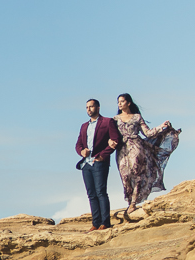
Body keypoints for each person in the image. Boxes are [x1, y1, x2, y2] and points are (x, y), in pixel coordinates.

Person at [113, 93, 180, 217]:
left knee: (136, 172)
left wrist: (161, 127)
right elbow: (112, 135)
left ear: (128, 103)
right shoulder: (115, 119)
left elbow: (148, 133)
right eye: (118, 102)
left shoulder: (137, 117)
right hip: (122, 148)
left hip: (136, 146)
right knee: (125, 175)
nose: (120, 104)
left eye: (122, 101)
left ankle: (133, 202)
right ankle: (129, 201)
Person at [75, 98, 120, 230]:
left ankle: (105, 223)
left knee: (101, 192)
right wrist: (82, 151)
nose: (89, 109)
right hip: (86, 165)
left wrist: (102, 155)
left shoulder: (107, 122)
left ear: (98, 108)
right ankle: (96, 223)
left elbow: (115, 140)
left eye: (91, 107)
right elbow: (78, 144)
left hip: (99, 162)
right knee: (91, 194)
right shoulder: (84, 126)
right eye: (87, 107)